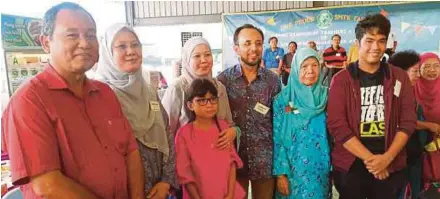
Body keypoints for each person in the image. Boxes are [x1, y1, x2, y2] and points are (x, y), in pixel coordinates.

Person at [1, 3, 144, 199]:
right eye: (72, 35)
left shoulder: (104, 93)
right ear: (46, 43)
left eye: (91, 35)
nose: (85, 43)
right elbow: (48, 185)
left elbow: (130, 151)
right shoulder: (29, 101)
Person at [327, 14, 417, 199]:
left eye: (381, 41)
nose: (376, 47)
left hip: (390, 163)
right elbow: (337, 125)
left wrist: (386, 159)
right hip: (351, 166)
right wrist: (372, 161)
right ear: (358, 43)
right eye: (369, 40)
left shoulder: (399, 77)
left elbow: (408, 121)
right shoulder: (341, 80)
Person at [95, 24, 178, 199]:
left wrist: (166, 181)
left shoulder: (148, 91)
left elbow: (167, 133)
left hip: (159, 189)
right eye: (121, 46)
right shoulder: (99, 95)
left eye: (135, 45)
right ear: (108, 53)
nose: (131, 51)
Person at [217, 24, 281, 199]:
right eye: (247, 43)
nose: (254, 48)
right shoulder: (223, 80)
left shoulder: (273, 81)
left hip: (265, 161)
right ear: (236, 48)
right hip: (233, 161)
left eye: (258, 43)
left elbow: (280, 122)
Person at [273, 48, 331, 198]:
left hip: (321, 169)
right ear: (296, 68)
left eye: (315, 65)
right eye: (304, 66)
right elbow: (277, 138)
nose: (310, 70)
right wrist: (281, 174)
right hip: (293, 170)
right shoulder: (284, 100)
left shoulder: (328, 96)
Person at [161, 36, 237, 148]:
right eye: (197, 56)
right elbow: (165, 131)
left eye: (207, 55)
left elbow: (229, 123)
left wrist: (233, 132)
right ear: (187, 60)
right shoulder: (177, 88)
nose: (204, 60)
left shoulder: (219, 87)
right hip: (187, 158)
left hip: (217, 157)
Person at [175, 79, 245, 199]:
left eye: (213, 99)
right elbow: (185, 175)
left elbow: (232, 163)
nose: (209, 104)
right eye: (202, 100)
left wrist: (230, 194)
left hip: (228, 194)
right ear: (190, 105)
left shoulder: (223, 127)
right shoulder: (184, 134)